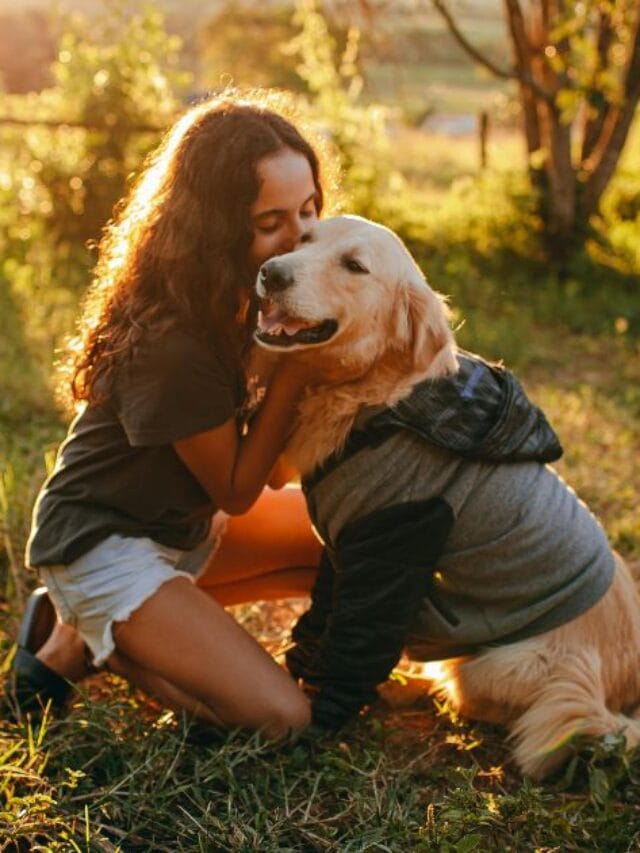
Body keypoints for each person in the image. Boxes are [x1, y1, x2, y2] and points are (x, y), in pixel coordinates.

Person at [11, 92, 329, 739]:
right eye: (272, 222)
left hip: (182, 529)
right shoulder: (175, 341)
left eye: (309, 210)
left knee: (344, 535)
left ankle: (88, 632)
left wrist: (295, 358)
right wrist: (294, 363)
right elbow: (240, 490)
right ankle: (96, 637)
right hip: (103, 543)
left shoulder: (253, 296)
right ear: (218, 226)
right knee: (283, 719)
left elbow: (278, 473)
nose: (299, 239)